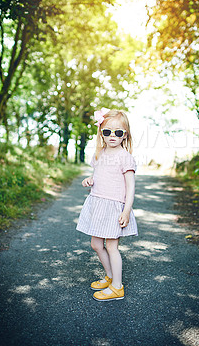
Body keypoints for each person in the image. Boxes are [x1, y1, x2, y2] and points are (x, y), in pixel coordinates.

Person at [76, 108, 138, 301]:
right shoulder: (99, 154)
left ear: (124, 135)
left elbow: (130, 187)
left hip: (113, 208)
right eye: (107, 131)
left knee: (111, 247)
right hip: (97, 204)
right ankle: (111, 277)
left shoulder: (125, 157)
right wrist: (90, 179)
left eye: (118, 132)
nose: (112, 135)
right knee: (96, 244)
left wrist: (126, 211)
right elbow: (99, 174)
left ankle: (117, 287)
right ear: (101, 133)